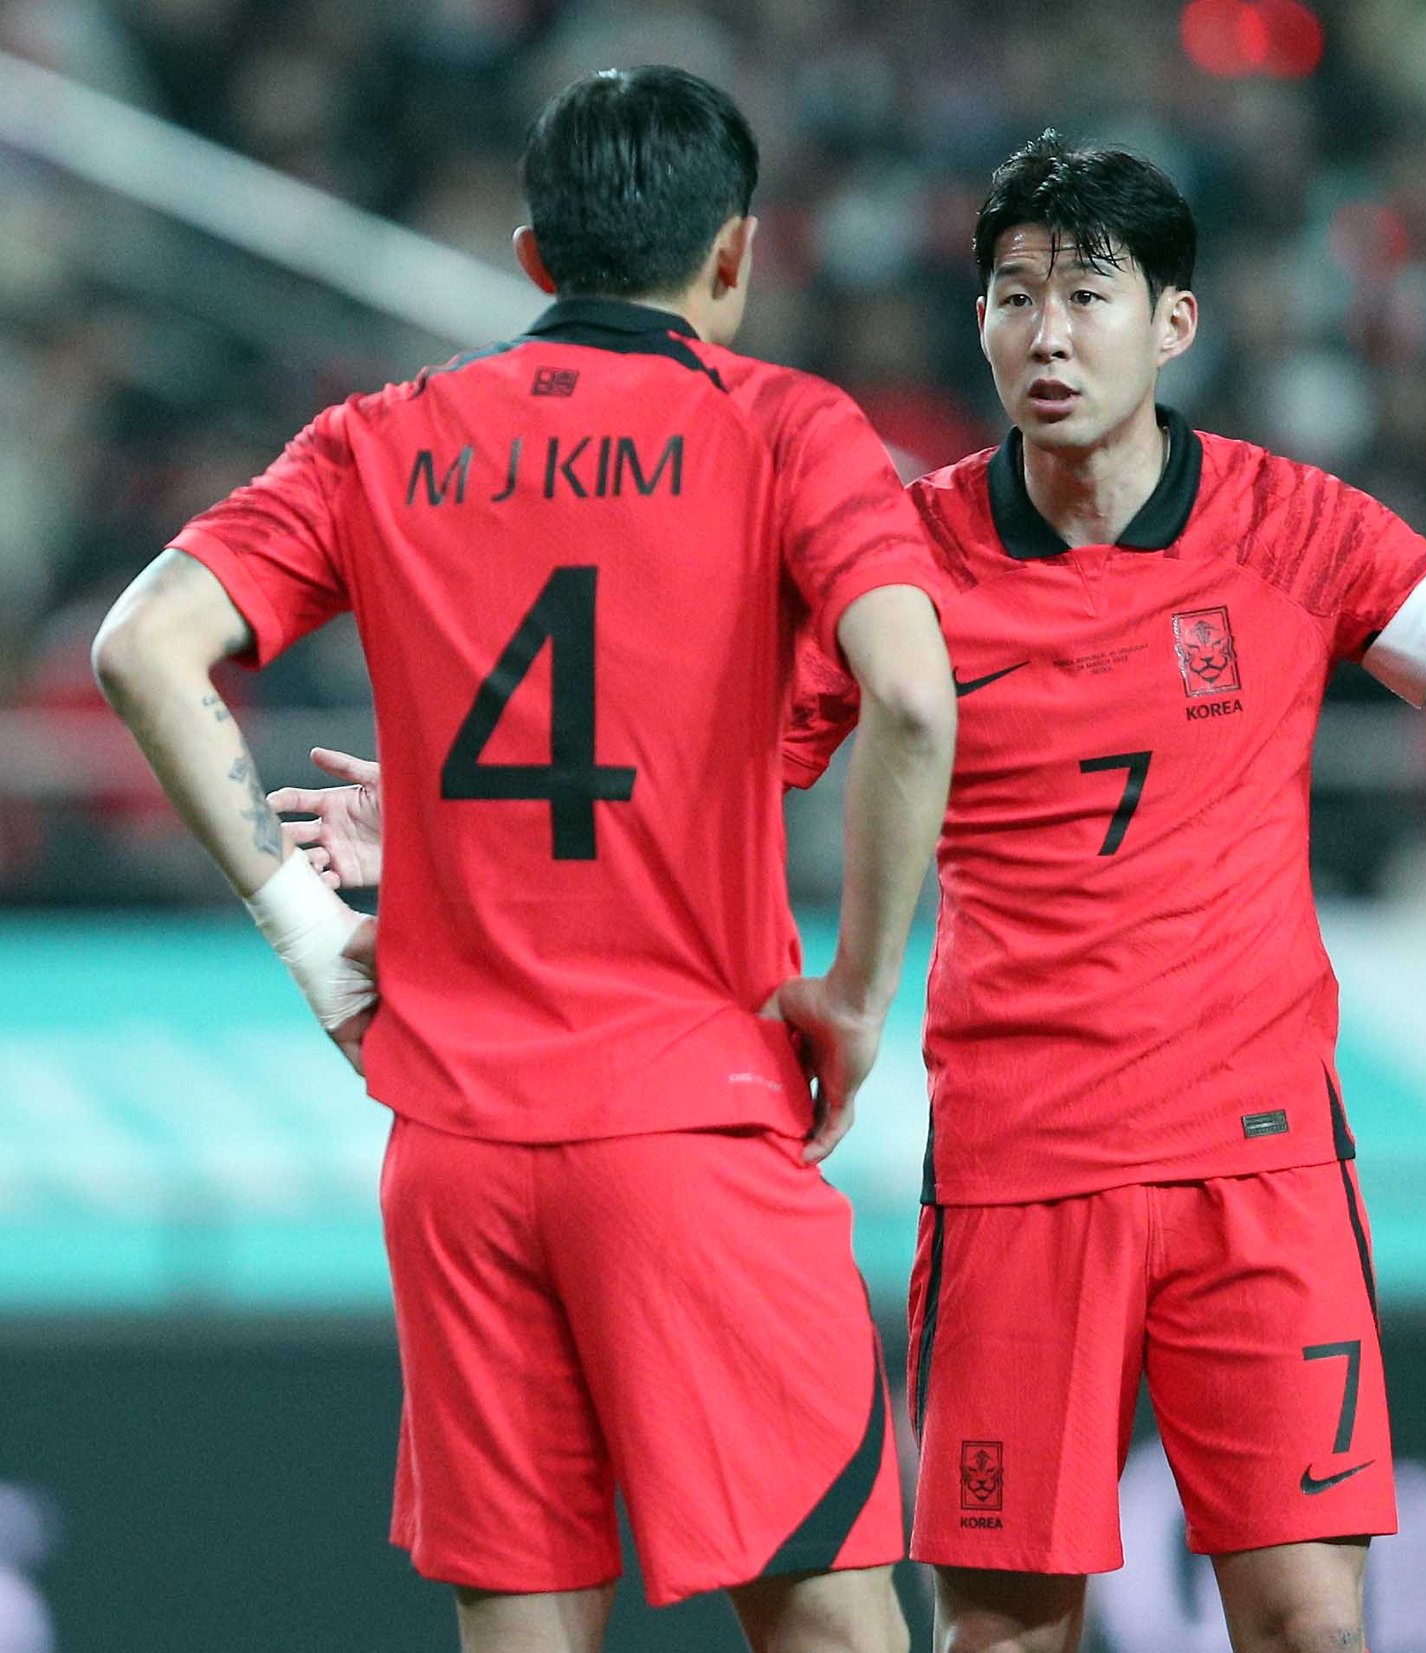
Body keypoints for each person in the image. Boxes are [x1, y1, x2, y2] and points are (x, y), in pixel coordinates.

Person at [284, 135, 1426, 1653]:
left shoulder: (1299, 529)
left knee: (1310, 1625)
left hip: (1260, 1164)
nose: (1048, 335)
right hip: (1021, 1171)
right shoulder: (902, 558)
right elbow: (698, 766)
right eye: (1014, 296)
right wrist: (447, 830)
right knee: (1006, 1638)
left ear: (1176, 323)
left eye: (1089, 295)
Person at [90, 66, 955, 1653]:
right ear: (736, 253)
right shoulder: (784, 427)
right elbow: (909, 693)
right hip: (689, 1115)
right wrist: (858, 992)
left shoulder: (379, 438)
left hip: (457, 1149)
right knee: (833, 1624)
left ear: (533, 257)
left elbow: (142, 646)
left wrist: (314, 937)